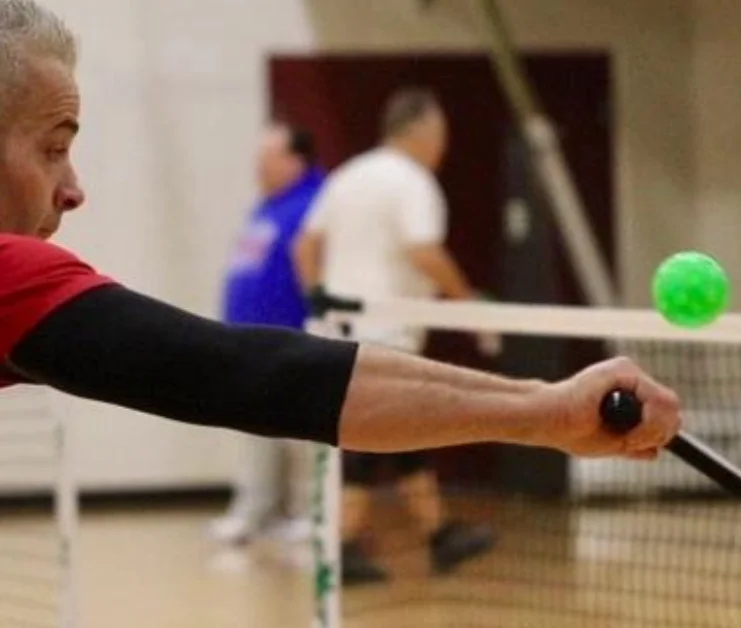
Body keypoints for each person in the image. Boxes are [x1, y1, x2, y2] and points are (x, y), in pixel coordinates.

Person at [0, 0, 681, 540]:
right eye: (53, 148)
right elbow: (247, 373)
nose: (74, 187)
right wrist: (544, 409)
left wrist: (542, 407)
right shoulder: (10, 276)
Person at [292, 88, 498, 584]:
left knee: (406, 434)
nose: (442, 144)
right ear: (422, 131)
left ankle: (438, 534)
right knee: (370, 441)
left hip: (337, 330)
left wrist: (320, 299)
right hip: (385, 335)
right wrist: (467, 302)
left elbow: (303, 247)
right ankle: (339, 550)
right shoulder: (413, 183)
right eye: (441, 133)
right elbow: (424, 251)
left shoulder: (349, 174)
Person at [209, 120, 325, 546]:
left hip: (291, 339)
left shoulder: (315, 205)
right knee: (256, 433)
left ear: (296, 160)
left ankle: (309, 517)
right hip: (247, 341)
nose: (258, 167)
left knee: (300, 437)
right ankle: (254, 512)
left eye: (267, 158)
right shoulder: (265, 207)